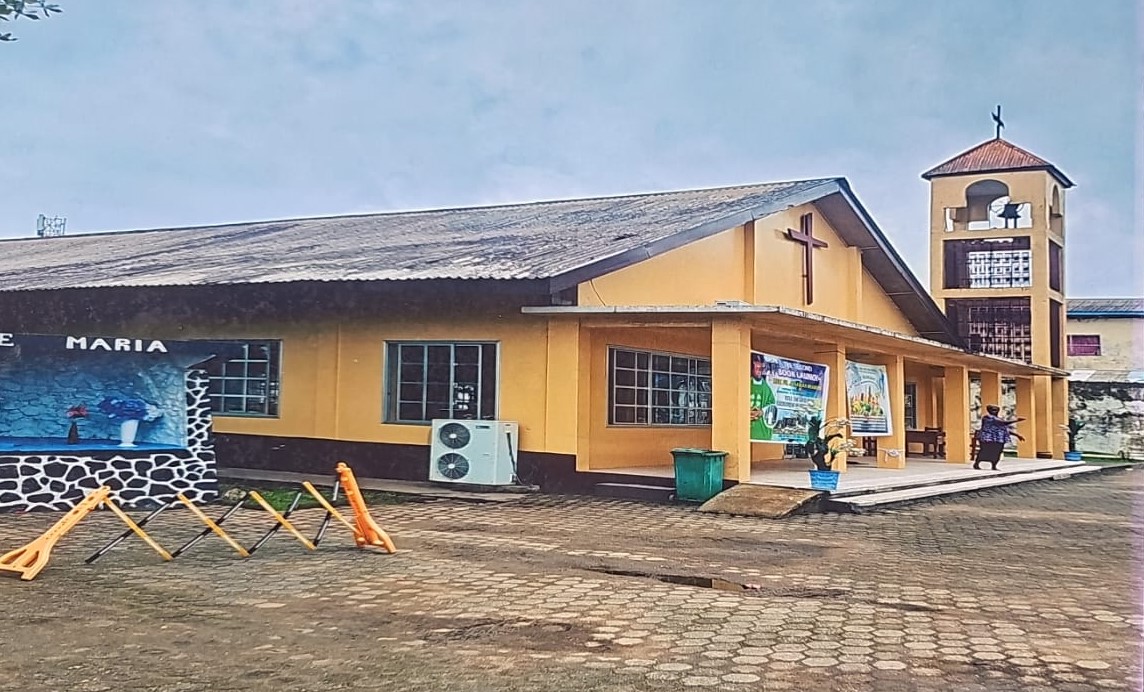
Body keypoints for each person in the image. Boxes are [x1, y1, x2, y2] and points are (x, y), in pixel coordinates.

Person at [973, 405, 1025, 470]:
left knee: (997, 452)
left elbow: (1005, 429)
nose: (995, 411)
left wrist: (1017, 435)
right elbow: (1003, 423)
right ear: (988, 410)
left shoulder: (999, 419)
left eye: (996, 410)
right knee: (984, 451)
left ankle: (994, 465)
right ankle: (977, 463)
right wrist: (1016, 420)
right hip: (988, 438)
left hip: (998, 439)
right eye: (992, 410)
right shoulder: (987, 417)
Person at [750, 354, 776, 441]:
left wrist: (762, 412)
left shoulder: (767, 389)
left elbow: (772, 406)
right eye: (756, 369)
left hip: (761, 430)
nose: (759, 372)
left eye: (761, 369)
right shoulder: (745, 383)